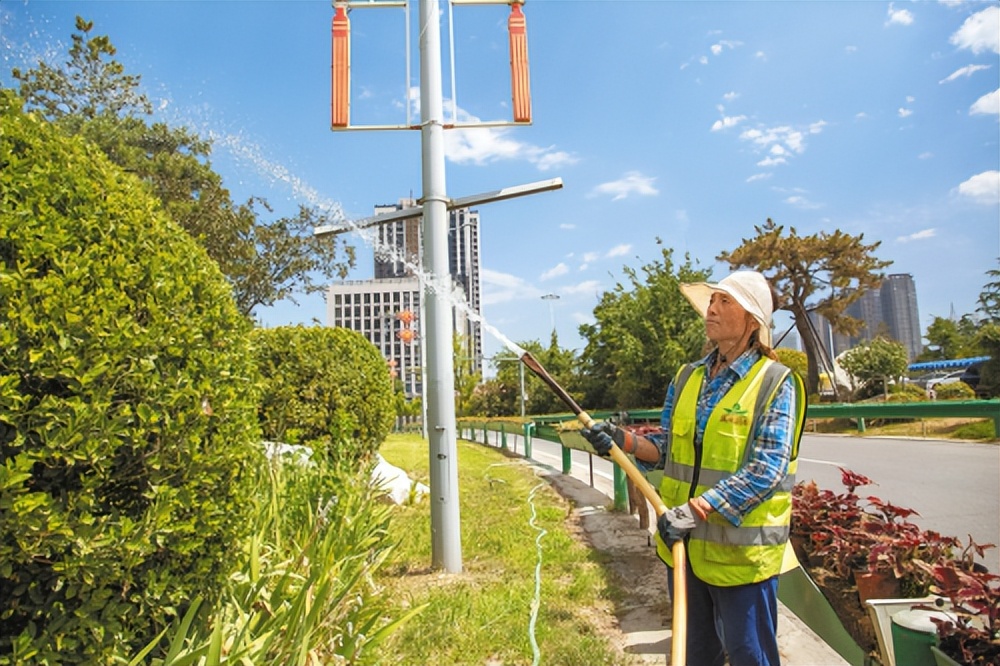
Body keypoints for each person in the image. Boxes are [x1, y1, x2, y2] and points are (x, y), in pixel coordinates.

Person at [582, 270, 805, 666]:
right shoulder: (688, 377)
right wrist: (624, 441)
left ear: (752, 321)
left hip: (742, 561)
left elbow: (766, 469)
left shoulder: (775, 382)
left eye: (724, 302)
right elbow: (667, 448)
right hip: (685, 549)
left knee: (749, 656)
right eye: (712, 301)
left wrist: (697, 509)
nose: (712, 309)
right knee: (695, 654)